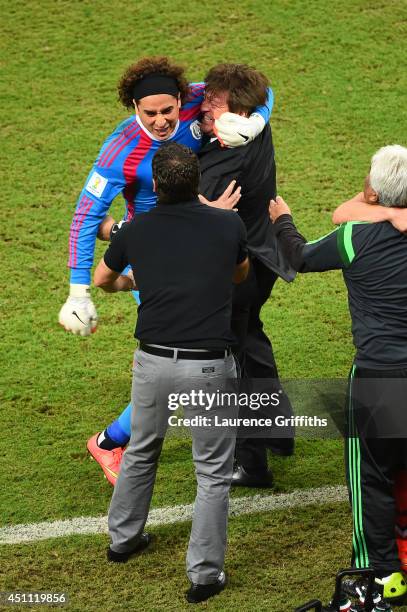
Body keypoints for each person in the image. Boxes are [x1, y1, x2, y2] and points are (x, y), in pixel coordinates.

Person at [57, 56, 273, 484]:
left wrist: (257, 121)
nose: (159, 121)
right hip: (154, 259)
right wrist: (77, 291)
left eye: (167, 111)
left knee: (199, 357)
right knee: (187, 359)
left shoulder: (199, 99)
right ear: (134, 109)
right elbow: (85, 217)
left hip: (200, 247)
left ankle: (236, 441)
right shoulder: (118, 151)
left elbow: (261, 90)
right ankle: (109, 442)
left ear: (180, 99)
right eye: (148, 113)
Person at [93, 142, 249, 604]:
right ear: (197, 184)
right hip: (209, 366)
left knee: (141, 451)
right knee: (212, 474)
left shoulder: (136, 230)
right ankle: (204, 575)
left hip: (153, 361)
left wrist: (138, 281)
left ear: (156, 186)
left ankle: (122, 540)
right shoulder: (228, 224)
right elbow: (240, 274)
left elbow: (103, 279)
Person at [269, 144, 407, 607]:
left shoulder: (353, 237)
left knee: (370, 477)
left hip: (378, 379)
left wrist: (282, 220)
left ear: (373, 191)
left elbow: (299, 258)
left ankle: (382, 576)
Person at [198, 63, 296, 487]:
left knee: (232, 362)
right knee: (251, 337)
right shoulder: (256, 124)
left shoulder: (221, 166)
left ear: (236, 110)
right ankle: (280, 430)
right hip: (266, 254)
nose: (204, 107)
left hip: (236, 268)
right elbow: (267, 96)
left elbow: (190, 217)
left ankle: (251, 461)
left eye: (213, 103)